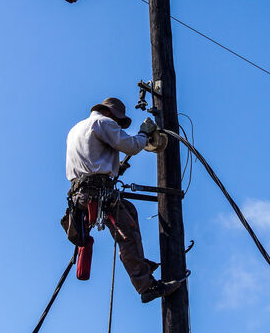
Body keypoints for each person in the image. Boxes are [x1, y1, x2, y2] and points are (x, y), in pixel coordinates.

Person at [65, 97, 184, 303]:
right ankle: (146, 286)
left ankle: (138, 260)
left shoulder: (77, 128)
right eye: (119, 122)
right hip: (97, 192)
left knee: (129, 210)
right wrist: (144, 134)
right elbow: (131, 146)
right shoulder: (104, 123)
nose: (119, 126)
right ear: (110, 113)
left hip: (80, 194)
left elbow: (91, 157)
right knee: (126, 234)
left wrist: (114, 167)